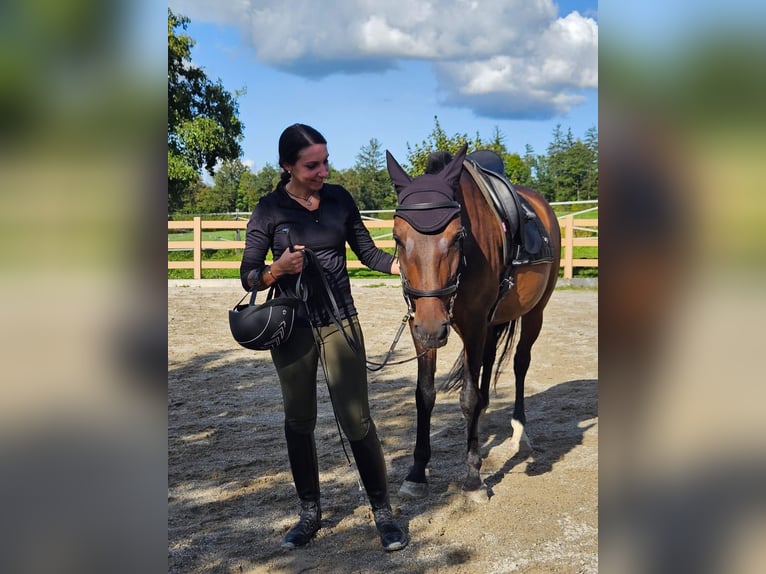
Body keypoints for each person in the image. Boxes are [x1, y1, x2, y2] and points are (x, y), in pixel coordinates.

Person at [239, 123, 408, 552]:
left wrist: (410, 269)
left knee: (357, 420)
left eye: (325, 161)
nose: (322, 171)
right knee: (299, 420)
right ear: (287, 167)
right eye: (312, 165)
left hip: (340, 321)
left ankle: (383, 511)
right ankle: (310, 512)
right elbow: (249, 275)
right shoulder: (268, 210)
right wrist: (277, 270)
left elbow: (367, 253)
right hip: (291, 327)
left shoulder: (339, 200)